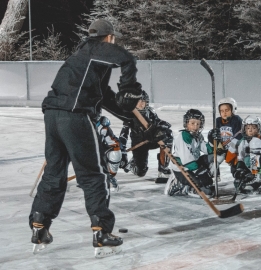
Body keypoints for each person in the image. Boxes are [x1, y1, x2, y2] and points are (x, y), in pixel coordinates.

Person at [29, 19, 170, 258]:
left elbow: (104, 97)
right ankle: (101, 231)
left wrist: (137, 121)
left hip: (53, 116)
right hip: (75, 116)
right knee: (93, 174)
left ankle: (39, 226)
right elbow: (126, 60)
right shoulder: (97, 50)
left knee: (54, 172)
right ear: (109, 38)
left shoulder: (83, 59)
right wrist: (130, 86)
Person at [164, 109, 221, 198]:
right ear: (186, 123)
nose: (195, 127)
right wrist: (202, 173)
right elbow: (187, 161)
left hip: (194, 164)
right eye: (192, 123)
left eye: (198, 124)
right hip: (183, 168)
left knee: (213, 157)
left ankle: (198, 183)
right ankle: (183, 185)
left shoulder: (197, 135)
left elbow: (207, 150)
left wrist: (212, 141)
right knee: (207, 190)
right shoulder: (183, 137)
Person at [119, 90, 172, 179]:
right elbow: (123, 134)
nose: (141, 103)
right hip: (138, 144)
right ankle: (133, 163)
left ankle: (163, 167)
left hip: (151, 140)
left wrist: (163, 126)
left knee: (167, 135)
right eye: (138, 101)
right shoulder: (129, 115)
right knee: (141, 172)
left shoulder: (150, 112)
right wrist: (122, 152)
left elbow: (158, 122)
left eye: (143, 101)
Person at [233, 115, 261, 195]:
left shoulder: (260, 140)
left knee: (251, 157)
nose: (251, 130)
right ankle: (252, 178)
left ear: (258, 129)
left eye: (254, 128)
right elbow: (241, 157)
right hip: (248, 166)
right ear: (244, 129)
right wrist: (239, 168)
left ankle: (259, 179)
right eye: (248, 128)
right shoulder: (243, 142)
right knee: (238, 182)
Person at [216, 97, 243, 181]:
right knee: (213, 160)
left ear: (233, 109)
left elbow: (238, 137)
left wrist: (231, 150)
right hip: (223, 148)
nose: (224, 113)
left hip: (234, 148)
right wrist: (218, 144)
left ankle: (239, 177)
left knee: (236, 164)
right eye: (222, 111)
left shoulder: (236, 120)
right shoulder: (218, 121)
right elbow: (215, 135)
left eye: (227, 110)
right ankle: (215, 175)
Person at [97, 116, 121, 192]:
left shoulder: (104, 129)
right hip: (108, 150)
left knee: (111, 174)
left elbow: (100, 141)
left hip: (114, 151)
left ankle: (114, 185)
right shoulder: (103, 129)